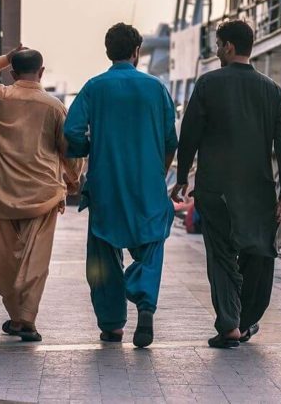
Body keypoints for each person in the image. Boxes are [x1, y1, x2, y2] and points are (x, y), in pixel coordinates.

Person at [172, 18, 281, 348]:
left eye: (217, 44)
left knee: (222, 255)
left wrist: (182, 177)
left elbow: (189, 137)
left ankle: (230, 325)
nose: (216, 50)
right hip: (258, 190)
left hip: (216, 189)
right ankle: (245, 319)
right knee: (259, 252)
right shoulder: (272, 90)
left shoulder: (208, 84)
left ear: (228, 46)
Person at [64, 23, 177, 348]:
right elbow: (171, 139)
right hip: (148, 185)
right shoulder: (156, 89)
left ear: (107, 51)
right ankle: (144, 303)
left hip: (106, 185)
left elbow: (72, 131)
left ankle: (112, 325)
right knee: (152, 245)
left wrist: (87, 149)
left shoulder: (94, 87)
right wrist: (160, 171)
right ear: (136, 52)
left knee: (103, 256)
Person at [0, 45, 84, 342]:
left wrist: (5, 58)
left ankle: (18, 317)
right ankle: (25, 318)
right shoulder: (54, 106)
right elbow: (69, 150)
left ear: (13, 73)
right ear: (41, 72)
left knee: (1, 259)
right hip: (42, 195)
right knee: (35, 259)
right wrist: (73, 179)